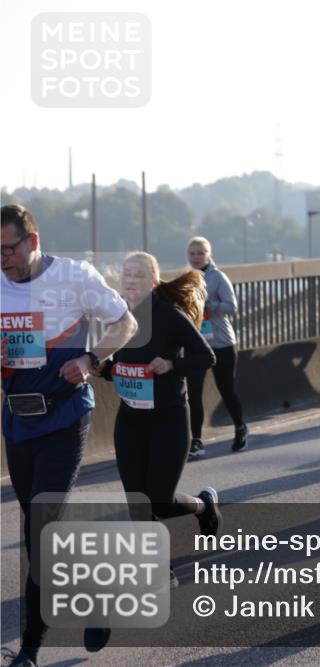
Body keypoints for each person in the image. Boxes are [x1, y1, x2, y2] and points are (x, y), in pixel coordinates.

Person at [2, 204, 138, 667]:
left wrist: (91, 360)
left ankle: (29, 651)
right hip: (18, 421)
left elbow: (126, 323)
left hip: (65, 417)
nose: (3, 258)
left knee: (41, 526)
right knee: (40, 533)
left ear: (33, 242)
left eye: (10, 248)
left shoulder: (74, 277)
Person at [101, 252, 222, 588]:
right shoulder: (117, 318)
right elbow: (118, 367)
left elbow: (205, 356)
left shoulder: (169, 316)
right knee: (138, 503)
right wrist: (103, 368)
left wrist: (171, 365)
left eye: (138, 274)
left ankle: (204, 506)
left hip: (168, 419)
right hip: (130, 421)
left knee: (161, 501)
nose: (130, 279)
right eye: (126, 273)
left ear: (153, 282)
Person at [185, 237, 248, 459]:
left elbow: (233, 307)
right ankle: (196, 440)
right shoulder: (185, 279)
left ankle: (240, 427)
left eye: (200, 253)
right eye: (192, 253)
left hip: (221, 342)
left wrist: (210, 305)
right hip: (196, 344)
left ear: (209, 255)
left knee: (226, 389)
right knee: (193, 393)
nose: (196, 257)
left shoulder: (218, 277)